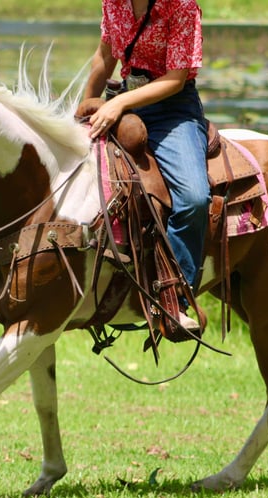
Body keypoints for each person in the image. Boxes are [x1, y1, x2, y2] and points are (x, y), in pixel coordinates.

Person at [84, 0, 209, 333]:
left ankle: (176, 300)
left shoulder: (181, 6)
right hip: (125, 106)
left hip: (173, 111)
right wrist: (81, 110)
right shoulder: (114, 3)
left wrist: (119, 104)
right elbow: (104, 57)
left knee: (194, 198)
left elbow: (176, 78)